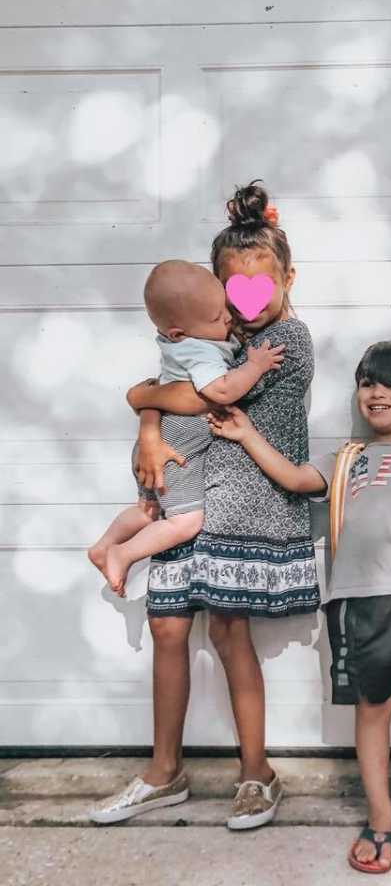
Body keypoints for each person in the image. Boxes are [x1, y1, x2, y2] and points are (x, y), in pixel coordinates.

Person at [89, 181, 316, 831]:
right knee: (167, 629)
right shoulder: (212, 338)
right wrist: (149, 431)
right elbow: (168, 389)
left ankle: (256, 772)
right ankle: (165, 773)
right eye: (231, 289)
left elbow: (183, 395)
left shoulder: (285, 343)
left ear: (286, 279)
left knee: (227, 631)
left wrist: (142, 401)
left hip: (243, 505)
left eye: (258, 284)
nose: (243, 301)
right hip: (190, 493)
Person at [208, 340, 391, 872]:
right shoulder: (347, 458)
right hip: (355, 604)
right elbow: (298, 479)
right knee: (371, 709)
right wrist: (248, 434)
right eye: (368, 382)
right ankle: (378, 818)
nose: (376, 392)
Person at [87, 260, 283, 594]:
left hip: (161, 438)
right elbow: (220, 391)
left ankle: (104, 545)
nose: (226, 318)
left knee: (147, 510)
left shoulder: (181, 340)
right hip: (179, 446)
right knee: (186, 520)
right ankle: (124, 552)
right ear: (180, 332)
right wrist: (255, 366)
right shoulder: (200, 350)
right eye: (215, 317)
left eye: (225, 309)